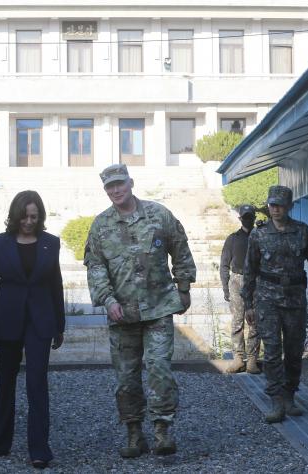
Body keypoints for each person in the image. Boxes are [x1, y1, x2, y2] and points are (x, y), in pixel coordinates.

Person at [84, 164, 196, 458]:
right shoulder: (100, 226)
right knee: (126, 378)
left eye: (119, 184)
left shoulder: (159, 215)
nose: (115, 190)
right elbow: (95, 267)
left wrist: (183, 286)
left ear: (130, 183)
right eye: (109, 187)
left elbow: (180, 248)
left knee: (160, 369)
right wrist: (108, 300)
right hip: (122, 314)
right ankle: (134, 433)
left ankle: (162, 431)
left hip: (158, 308)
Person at [0, 190, 65, 469]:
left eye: (34, 217)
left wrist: (60, 325)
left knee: (37, 383)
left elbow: (56, 284)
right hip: (6, 319)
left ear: (40, 217)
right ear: (15, 216)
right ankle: (1, 441)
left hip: (40, 321)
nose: (29, 222)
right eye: (24, 216)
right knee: (5, 382)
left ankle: (39, 449)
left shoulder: (51, 243)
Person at [242, 185, 308, 424]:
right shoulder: (258, 234)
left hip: (294, 298)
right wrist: (248, 303)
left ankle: (289, 394)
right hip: (267, 299)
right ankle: (276, 400)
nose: (276, 209)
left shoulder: (302, 231)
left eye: (280, 205)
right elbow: (249, 270)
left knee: (293, 351)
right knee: (272, 351)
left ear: (289, 206)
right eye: (272, 205)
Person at [220, 204, 261, 374]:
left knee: (255, 322)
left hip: (257, 282)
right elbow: (224, 265)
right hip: (237, 280)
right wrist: (226, 288)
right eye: (245, 217)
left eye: (250, 217)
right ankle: (238, 358)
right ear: (240, 218)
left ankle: (252, 360)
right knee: (237, 321)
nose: (247, 219)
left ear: (254, 218)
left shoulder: (260, 237)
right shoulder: (232, 239)